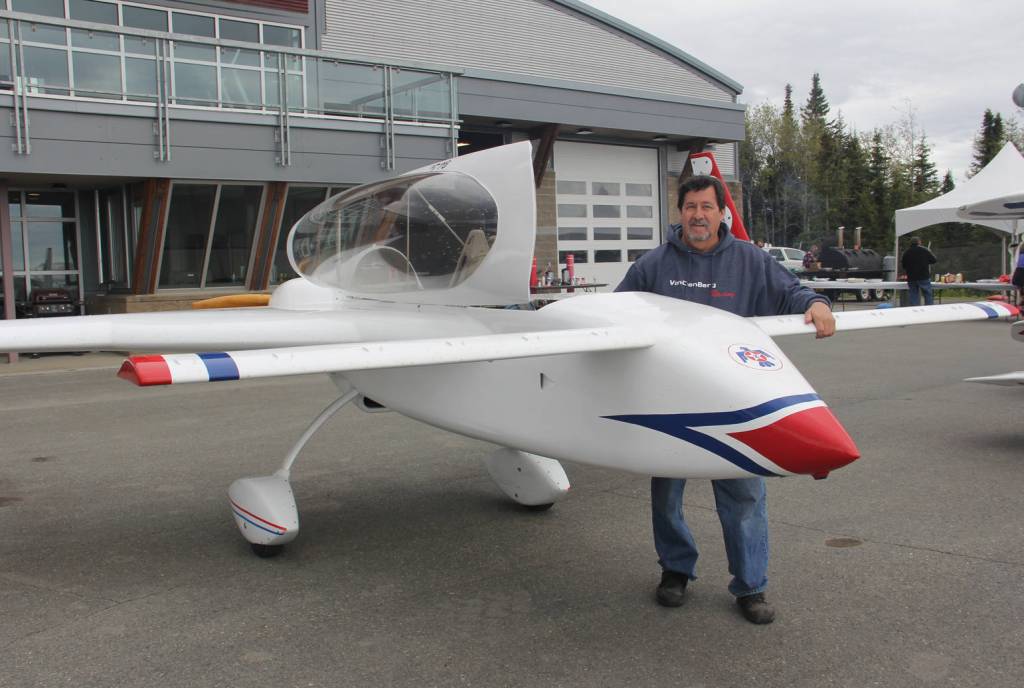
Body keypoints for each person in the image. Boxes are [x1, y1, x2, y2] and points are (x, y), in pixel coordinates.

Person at [616, 175, 835, 625]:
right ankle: (676, 570)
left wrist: (815, 302)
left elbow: (792, 290)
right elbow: (618, 311)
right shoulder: (654, 264)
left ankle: (750, 587)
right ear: (680, 213)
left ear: (722, 213)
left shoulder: (750, 260)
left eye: (707, 207)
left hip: (734, 404)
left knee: (744, 499)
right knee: (667, 496)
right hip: (670, 405)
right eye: (690, 206)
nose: (698, 215)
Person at [901, 237, 937, 306]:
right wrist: (928, 257)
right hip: (923, 276)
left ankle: (915, 311)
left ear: (910, 243)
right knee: (927, 294)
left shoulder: (906, 252)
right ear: (919, 242)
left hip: (911, 278)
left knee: (913, 295)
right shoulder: (924, 250)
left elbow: (904, 266)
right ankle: (929, 309)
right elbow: (934, 260)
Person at [1012, 243, 1024, 307]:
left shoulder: (1020, 246)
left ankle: (1021, 298)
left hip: (1019, 273)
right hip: (1019, 272)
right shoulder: (1021, 247)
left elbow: (1016, 262)